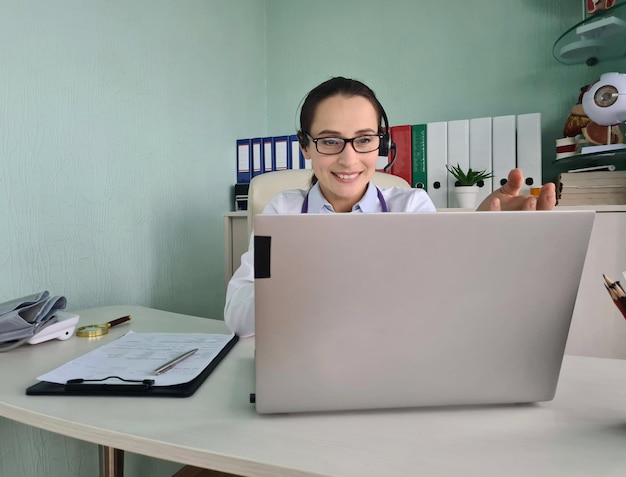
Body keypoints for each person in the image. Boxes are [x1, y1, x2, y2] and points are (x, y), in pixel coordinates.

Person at [225, 77, 556, 337]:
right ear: (305, 147)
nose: (349, 158)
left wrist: (475, 236)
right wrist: (306, 285)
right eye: (329, 140)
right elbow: (238, 317)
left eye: (364, 139)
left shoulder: (410, 205)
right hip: (304, 353)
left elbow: (443, 296)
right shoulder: (282, 213)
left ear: (379, 143)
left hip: (394, 354)